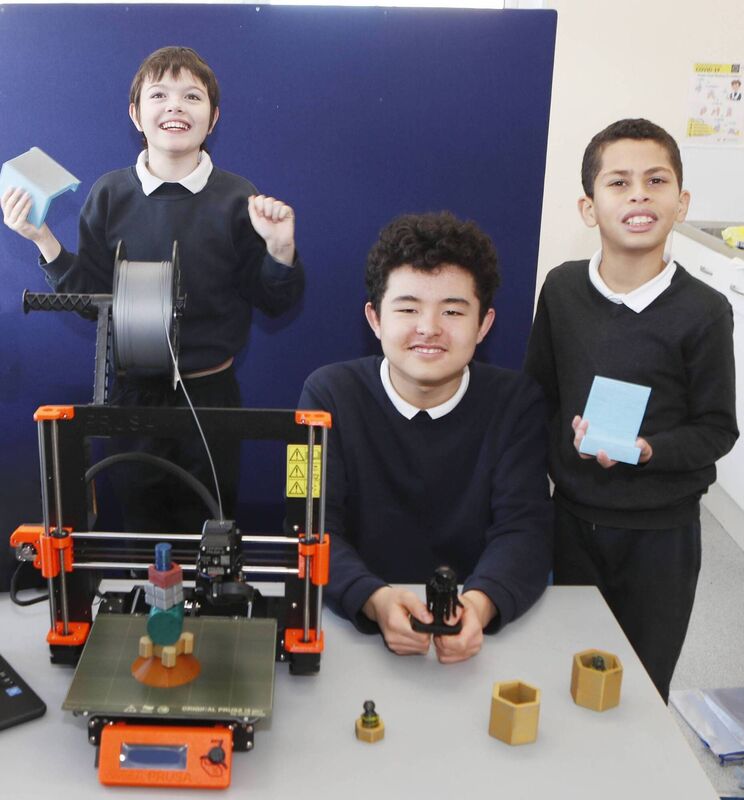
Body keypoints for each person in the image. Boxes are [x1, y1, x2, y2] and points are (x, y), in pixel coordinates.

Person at [1, 46, 304, 532]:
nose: (175, 106)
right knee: (142, 527)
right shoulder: (109, 194)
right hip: (132, 395)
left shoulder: (238, 197)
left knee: (213, 527)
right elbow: (93, 303)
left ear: (214, 117)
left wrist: (280, 250)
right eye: (158, 94)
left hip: (213, 395)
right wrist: (43, 238)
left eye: (192, 96)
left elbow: (275, 300)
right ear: (135, 114)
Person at [524, 118, 738, 701]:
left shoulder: (705, 311)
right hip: (571, 522)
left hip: (660, 534)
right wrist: (553, 463)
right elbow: (536, 395)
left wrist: (649, 450)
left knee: (640, 689)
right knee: (567, 675)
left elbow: (718, 429)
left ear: (681, 202)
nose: (639, 194)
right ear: (589, 207)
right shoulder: (562, 290)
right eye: (618, 183)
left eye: (656, 180)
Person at [299, 212, 553, 664]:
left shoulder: (517, 403)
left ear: (484, 324)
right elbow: (310, 523)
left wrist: (479, 604)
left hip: (478, 633)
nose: (430, 327)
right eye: (408, 308)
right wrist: (373, 598)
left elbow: (525, 530)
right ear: (374, 319)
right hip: (352, 626)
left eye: (453, 311)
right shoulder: (325, 394)